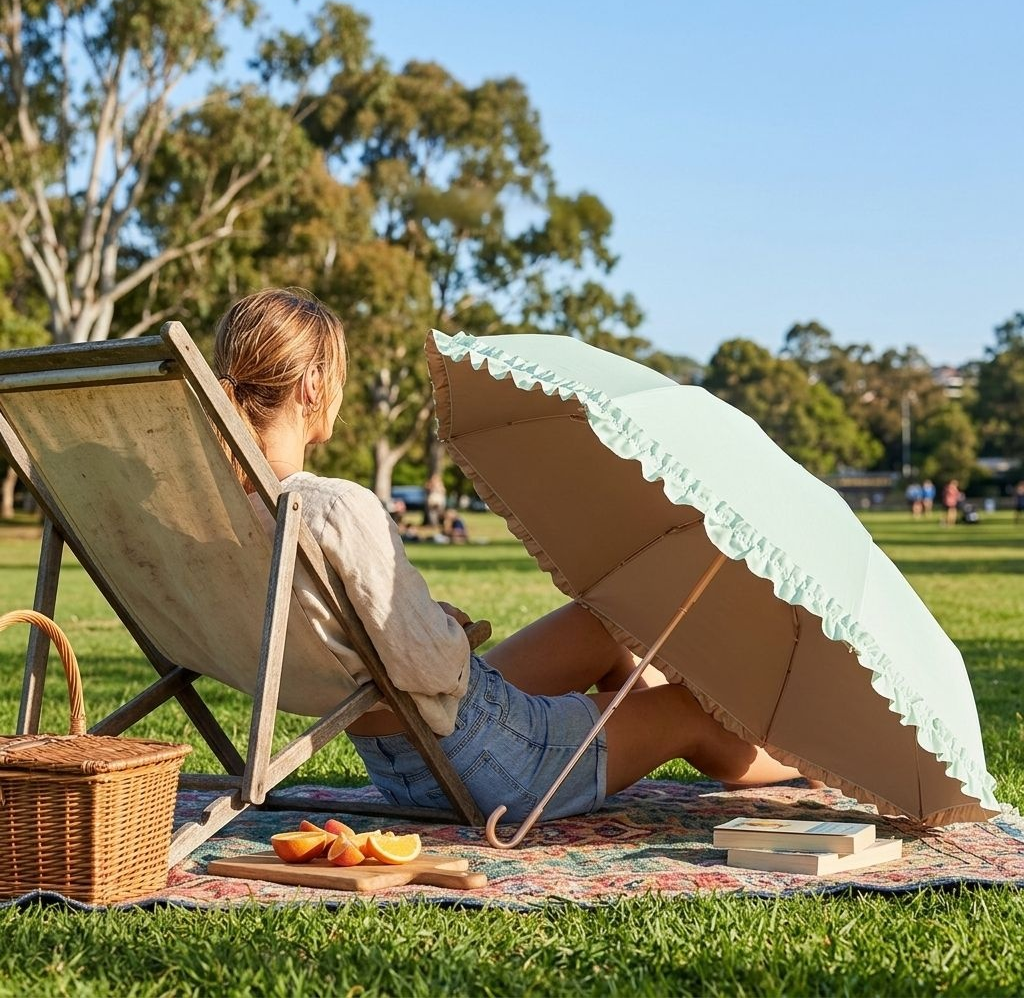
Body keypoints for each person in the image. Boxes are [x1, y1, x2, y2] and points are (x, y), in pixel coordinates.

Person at [214, 287, 812, 824]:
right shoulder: (332, 509)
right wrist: (444, 629)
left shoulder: (220, 518)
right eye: (339, 378)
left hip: (397, 760)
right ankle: (803, 767)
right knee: (693, 710)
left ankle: (621, 733)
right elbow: (434, 671)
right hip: (482, 761)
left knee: (605, 627)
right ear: (311, 386)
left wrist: (409, 625)